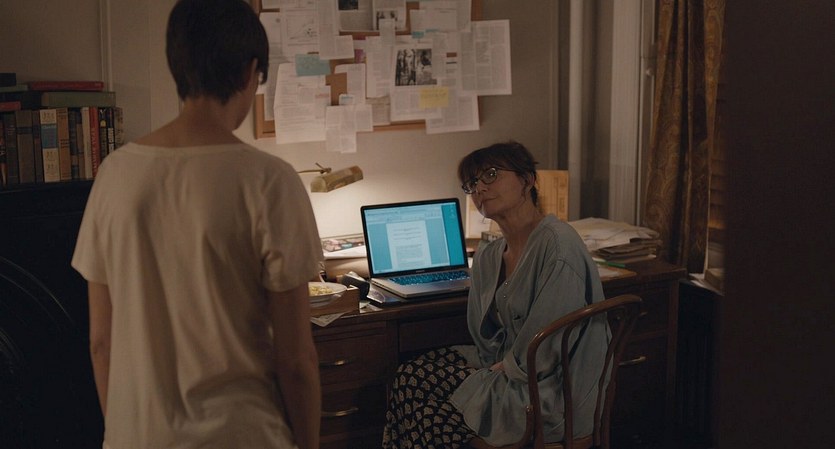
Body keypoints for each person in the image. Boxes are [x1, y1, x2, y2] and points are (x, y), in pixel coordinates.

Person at [71, 1, 322, 448]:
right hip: (242, 436)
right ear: (249, 73)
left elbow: (101, 342)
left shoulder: (114, 174)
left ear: (177, 65)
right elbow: (296, 361)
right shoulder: (269, 180)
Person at [382, 141, 609, 448]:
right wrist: (492, 366)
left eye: (490, 175)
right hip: (509, 366)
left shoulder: (557, 244)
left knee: (424, 404)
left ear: (527, 180)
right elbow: (485, 338)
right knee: (409, 373)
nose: (479, 188)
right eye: (471, 183)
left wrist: (498, 370)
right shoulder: (489, 255)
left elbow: (546, 345)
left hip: (547, 391)